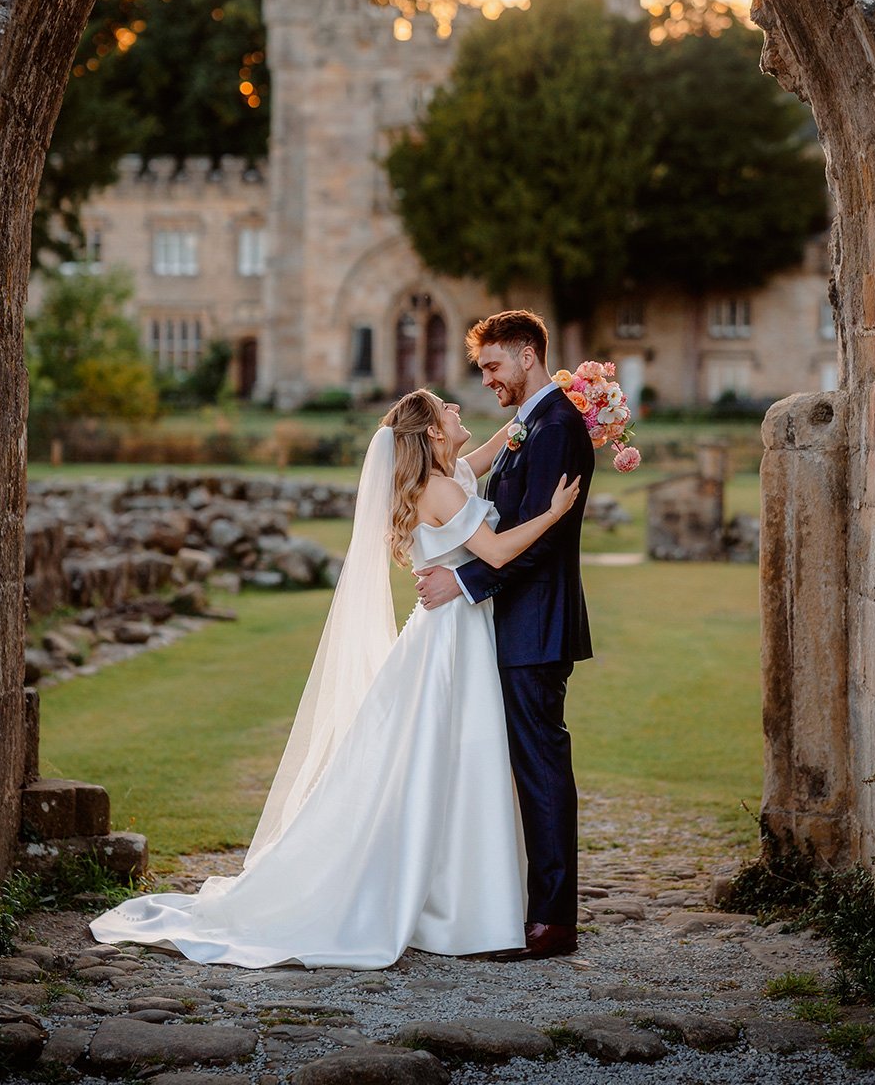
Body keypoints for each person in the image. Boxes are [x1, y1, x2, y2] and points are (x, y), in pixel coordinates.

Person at [89, 389, 579, 969]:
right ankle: (452, 903)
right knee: (449, 758)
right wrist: (554, 513)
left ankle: (452, 897)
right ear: (431, 435)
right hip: (451, 640)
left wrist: (533, 415)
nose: (458, 411)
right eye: (448, 409)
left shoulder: (445, 479)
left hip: (450, 631)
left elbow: (486, 457)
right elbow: (494, 553)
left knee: (444, 763)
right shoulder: (443, 490)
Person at [416, 310, 594, 961]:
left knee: (542, 772)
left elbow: (540, 546)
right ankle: (506, 903)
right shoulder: (534, 423)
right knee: (518, 770)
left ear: (526, 354)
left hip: (535, 627)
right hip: (514, 624)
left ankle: (551, 921)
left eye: (493, 366)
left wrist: (464, 585)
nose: (488, 380)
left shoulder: (556, 427)